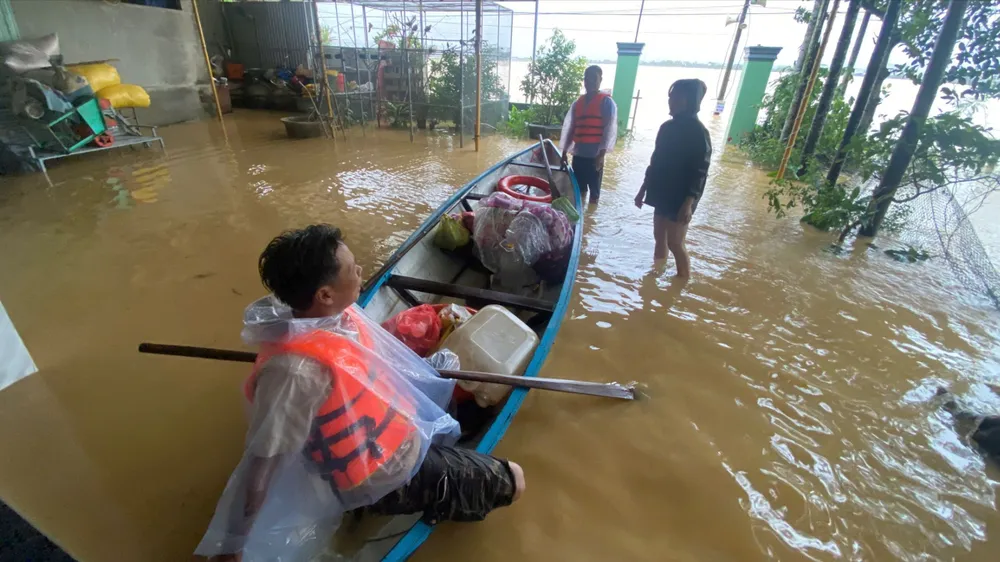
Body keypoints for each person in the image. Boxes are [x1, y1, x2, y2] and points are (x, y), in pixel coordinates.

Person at [197, 225, 525, 561]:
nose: (360, 272)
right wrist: (233, 545)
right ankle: (412, 504)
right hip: (383, 475)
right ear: (324, 294)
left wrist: (432, 365)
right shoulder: (294, 374)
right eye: (352, 269)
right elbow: (261, 464)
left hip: (393, 431)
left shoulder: (335, 315)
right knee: (514, 478)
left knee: (457, 408)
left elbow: (376, 366)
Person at [633, 79, 712, 278]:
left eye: (675, 97)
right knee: (659, 237)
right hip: (663, 191)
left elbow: (700, 171)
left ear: (688, 100)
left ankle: (682, 281)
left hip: (683, 196)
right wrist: (643, 188)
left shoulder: (698, 132)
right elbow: (655, 161)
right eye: (670, 97)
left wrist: (688, 203)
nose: (671, 101)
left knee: (676, 243)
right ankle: (657, 273)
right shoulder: (666, 128)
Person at [560, 65, 618, 205]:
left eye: (594, 78)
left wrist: (601, 156)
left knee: (594, 195)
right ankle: (584, 221)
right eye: (587, 78)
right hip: (579, 155)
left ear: (600, 80)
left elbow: (609, 130)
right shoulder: (577, 103)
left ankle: (591, 217)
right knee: (579, 191)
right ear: (584, 80)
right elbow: (570, 128)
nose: (590, 82)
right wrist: (564, 152)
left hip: (595, 157)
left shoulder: (606, 102)